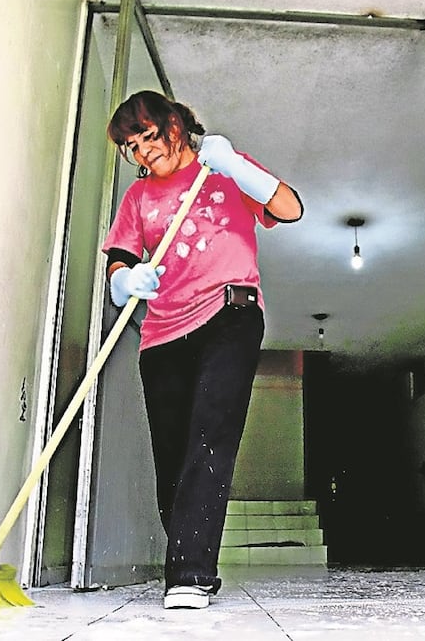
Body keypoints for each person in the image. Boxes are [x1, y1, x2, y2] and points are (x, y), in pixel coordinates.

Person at [101, 90, 302, 609]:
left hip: (229, 314)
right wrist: (125, 283)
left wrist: (235, 165)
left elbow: (289, 207)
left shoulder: (223, 170)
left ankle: (189, 573)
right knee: (172, 453)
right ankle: (193, 563)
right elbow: (118, 261)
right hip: (162, 333)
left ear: (176, 124)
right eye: (133, 145)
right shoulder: (138, 199)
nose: (145, 151)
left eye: (150, 135)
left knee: (210, 434)